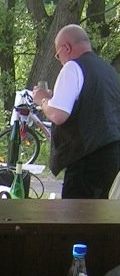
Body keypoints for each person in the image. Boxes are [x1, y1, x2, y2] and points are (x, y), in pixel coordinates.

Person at [33, 24, 120, 199]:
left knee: (76, 217)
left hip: (86, 157)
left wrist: (43, 100)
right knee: (101, 215)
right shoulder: (107, 71)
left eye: (58, 55)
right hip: (112, 153)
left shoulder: (72, 67)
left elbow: (58, 114)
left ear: (66, 48)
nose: (60, 60)